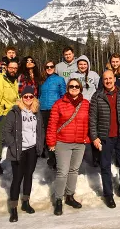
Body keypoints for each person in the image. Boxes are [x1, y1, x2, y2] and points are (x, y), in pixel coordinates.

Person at [89, 70, 120, 208]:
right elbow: (92, 119)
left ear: (114, 79)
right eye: (105, 79)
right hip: (104, 137)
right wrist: (95, 137)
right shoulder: (97, 96)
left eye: (110, 78)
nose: (108, 81)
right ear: (102, 81)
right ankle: (108, 194)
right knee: (105, 166)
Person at [46, 78, 90, 215]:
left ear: (81, 88)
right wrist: (51, 142)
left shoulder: (86, 104)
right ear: (67, 88)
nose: (74, 88)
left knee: (74, 170)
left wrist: (87, 137)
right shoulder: (59, 104)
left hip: (79, 143)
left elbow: (90, 122)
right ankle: (58, 199)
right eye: (71, 86)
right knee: (62, 172)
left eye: (77, 86)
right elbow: (52, 125)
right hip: (63, 143)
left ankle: (70, 196)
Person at [3, 86, 44, 223]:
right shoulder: (14, 112)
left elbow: (40, 129)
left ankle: (25, 202)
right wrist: (13, 146)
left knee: (28, 176)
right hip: (19, 150)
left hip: (32, 150)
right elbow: (6, 132)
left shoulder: (36, 111)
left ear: (34, 98)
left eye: (30, 96)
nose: (28, 99)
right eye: (25, 96)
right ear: (21, 97)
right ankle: (14, 209)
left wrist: (40, 144)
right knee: (17, 178)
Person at [0, 59, 19, 175]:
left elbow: (14, 97)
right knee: (0, 138)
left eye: (16, 68)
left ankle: (14, 159)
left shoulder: (13, 80)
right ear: (6, 68)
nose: (13, 70)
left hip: (11, 113)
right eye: (11, 68)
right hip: (1, 114)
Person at [70, 55, 100, 167]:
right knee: (78, 131)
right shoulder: (73, 75)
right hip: (78, 107)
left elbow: (99, 89)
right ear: (77, 65)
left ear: (88, 64)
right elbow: (69, 90)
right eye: (80, 64)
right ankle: (78, 157)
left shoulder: (94, 75)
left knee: (93, 130)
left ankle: (96, 157)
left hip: (91, 106)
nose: (83, 66)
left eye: (85, 64)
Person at [39, 60, 66, 169]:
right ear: (44, 68)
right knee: (46, 134)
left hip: (54, 110)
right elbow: (39, 95)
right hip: (43, 110)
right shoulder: (42, 81)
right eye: (47, 67)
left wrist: (62, 109)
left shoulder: (60, 79)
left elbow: (63, 95)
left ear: (54, 68)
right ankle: (51, 157)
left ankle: (57, 157)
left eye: (51, 66)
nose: (49, 68)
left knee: (55, 134)